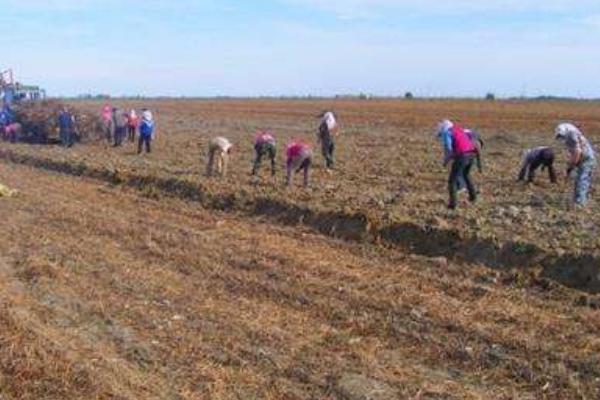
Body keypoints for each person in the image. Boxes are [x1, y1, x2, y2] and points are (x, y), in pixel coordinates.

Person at [437, 119, 478, 209]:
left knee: (452, 181)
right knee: (466, 175)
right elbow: (471, 135)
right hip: (472, 154)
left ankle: (453, 204)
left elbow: (448, 148)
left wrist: (445, 161)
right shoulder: (459, 129)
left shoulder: (447, 133)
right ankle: (473, 197)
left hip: (462, 156)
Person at [555, 123, 596, 206]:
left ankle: (580, 203)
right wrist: (571, 164)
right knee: (578, 180)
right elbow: (574, 153)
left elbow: (577, 152)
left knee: (582, 180)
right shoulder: (572, 135)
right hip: (583, 159)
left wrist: (571, 166)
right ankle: (577, 200)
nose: (561, 138)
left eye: (561, 136)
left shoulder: (571, 135)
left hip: (586, 159)